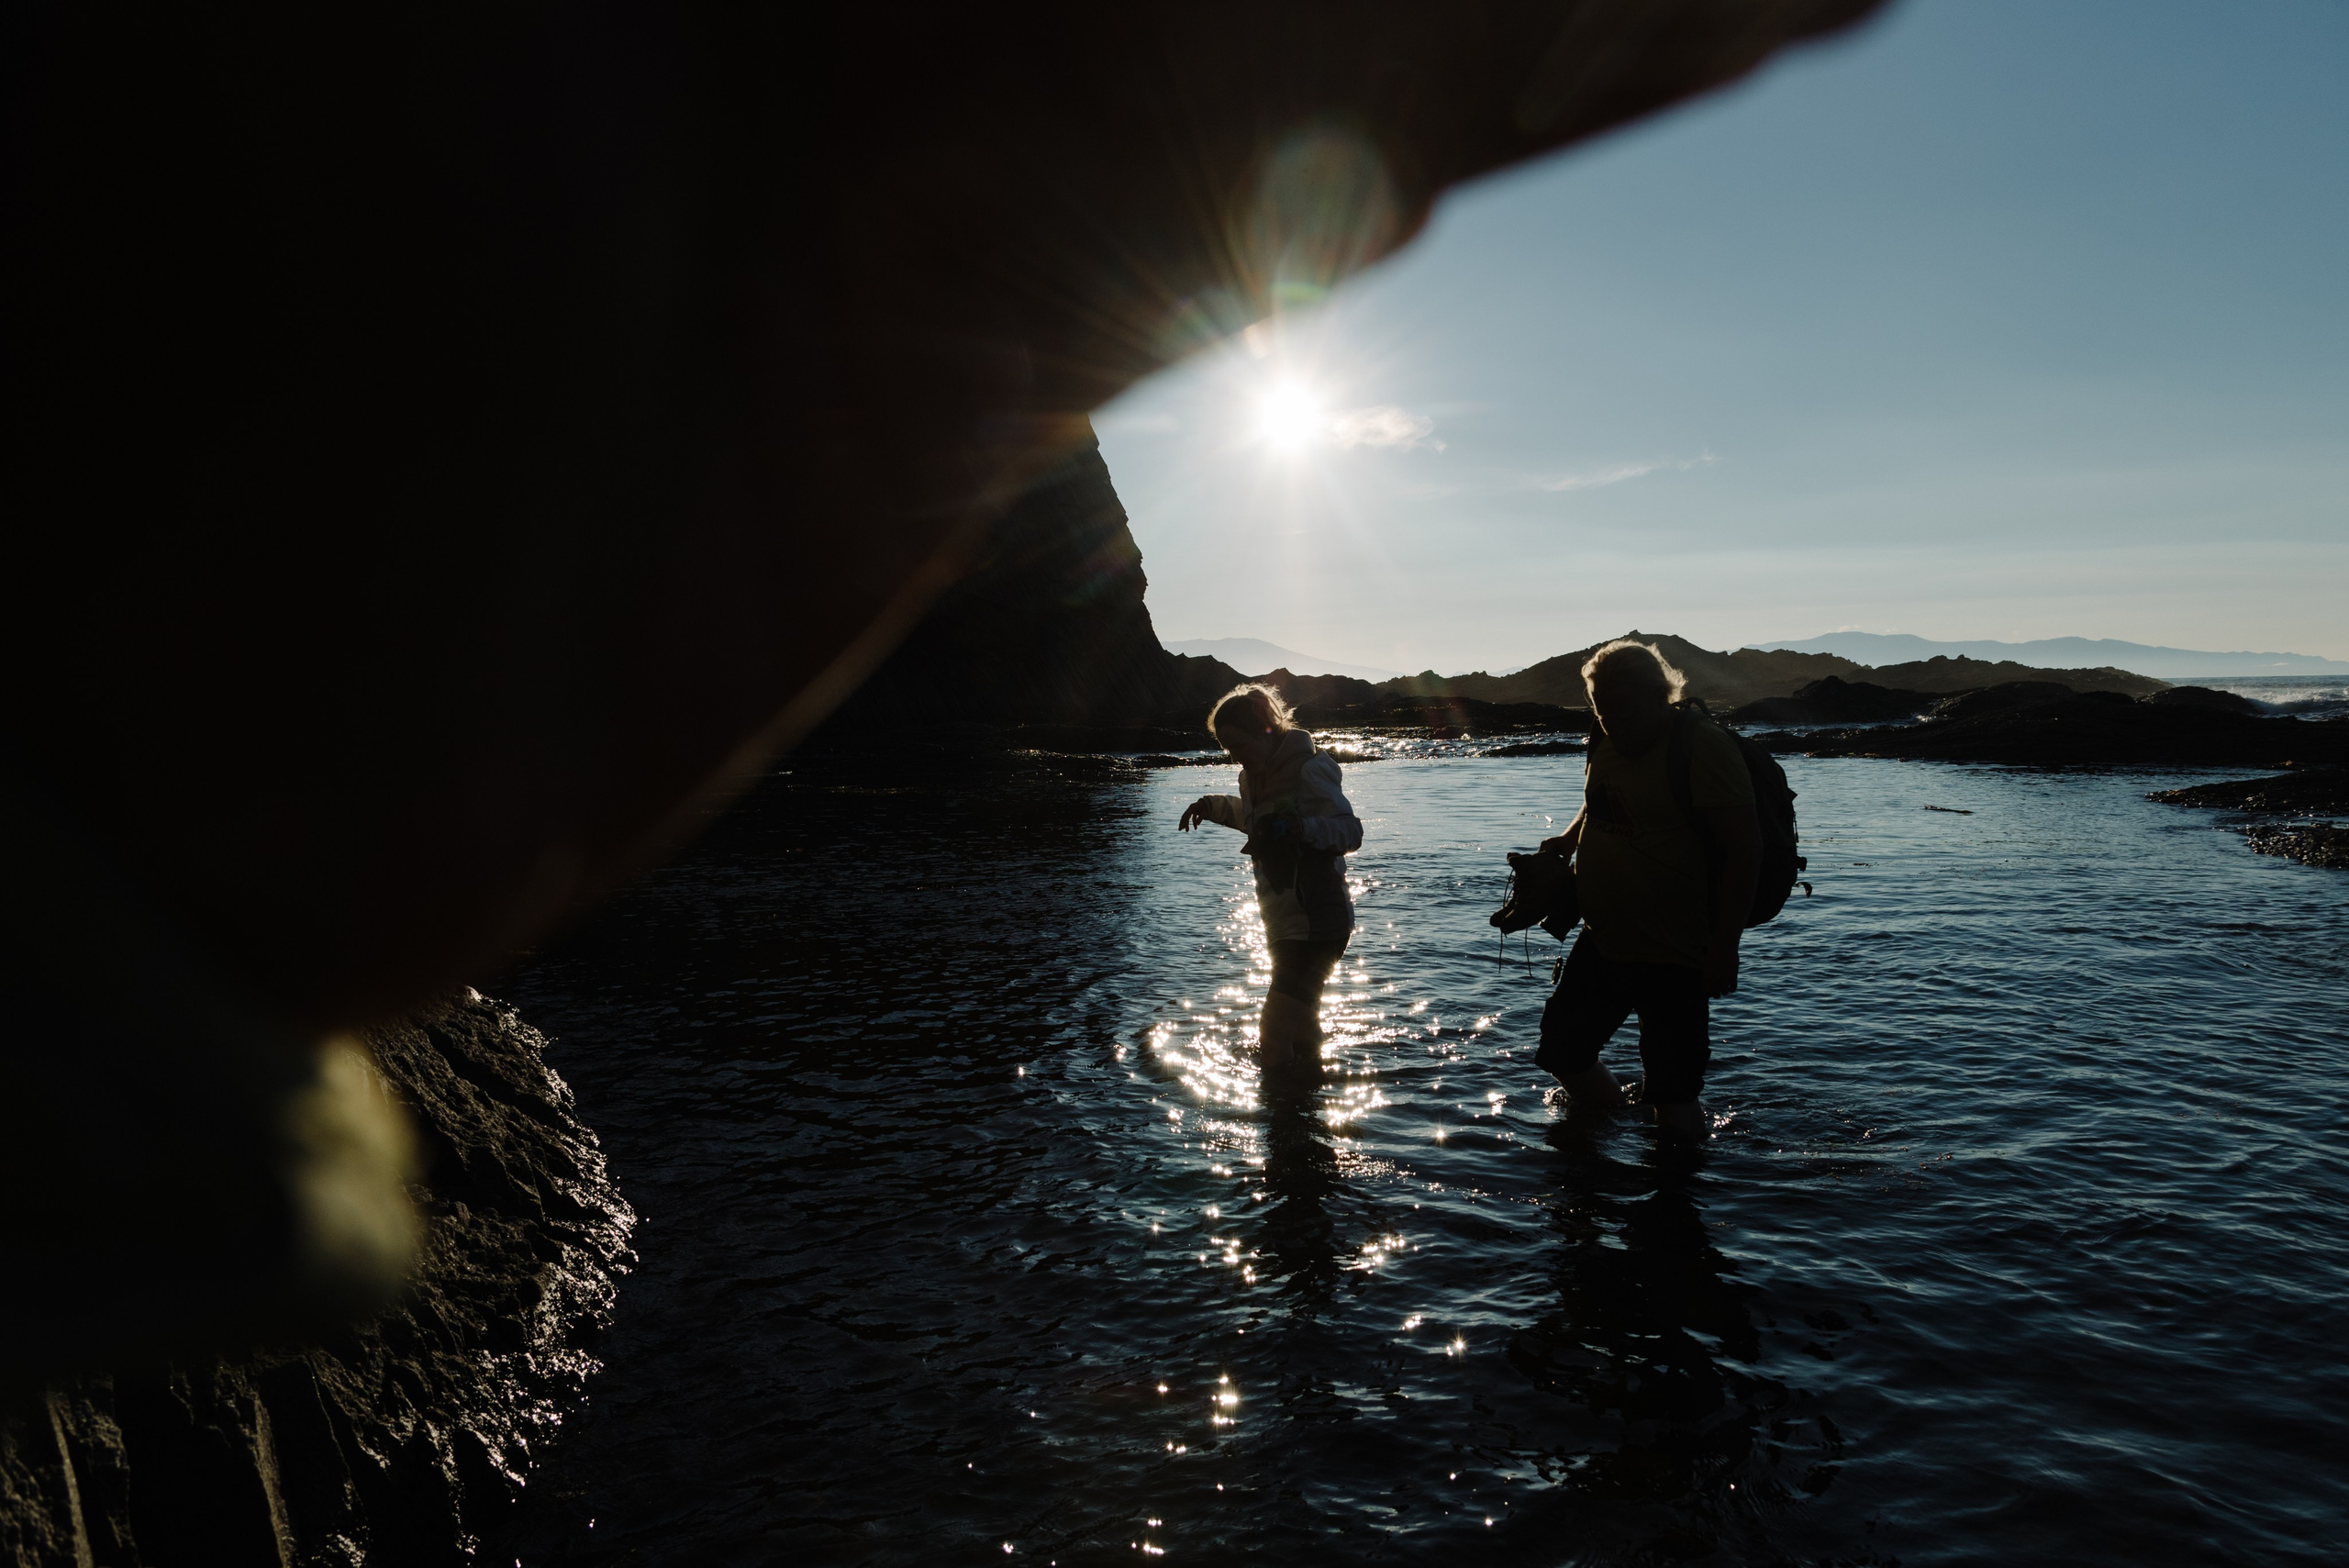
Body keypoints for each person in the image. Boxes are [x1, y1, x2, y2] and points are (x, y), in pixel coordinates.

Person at [1535, 640, 1760, 1144]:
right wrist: (1569, 841)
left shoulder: (1701, 745)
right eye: (1603, 709)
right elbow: (1599, 799)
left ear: (1661, 695)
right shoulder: (1604, 737)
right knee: (1562, 1052)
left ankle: (1675, 1199)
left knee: (1674, 1093)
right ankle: (1614, 1126)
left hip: (1676, 951)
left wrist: (1725, 947)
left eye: (1626, 709)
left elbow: (1745, 851)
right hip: (1606, 938)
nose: (1615, 721)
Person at [1178, 684, 1364, 1077]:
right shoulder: (1253, 776)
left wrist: (1304, 828)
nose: (1235, 757)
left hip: (1318, 923)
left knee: (1272, 1030)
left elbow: (1350, 832)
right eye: (1227, 750)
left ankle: (1281, 1122)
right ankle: (1310, 1102)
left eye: (1238, 746)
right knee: (1301, 1024)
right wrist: (1210, 806)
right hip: (1282, 924)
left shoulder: (1310, 769)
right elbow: (1251, 820)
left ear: (1264, 732)